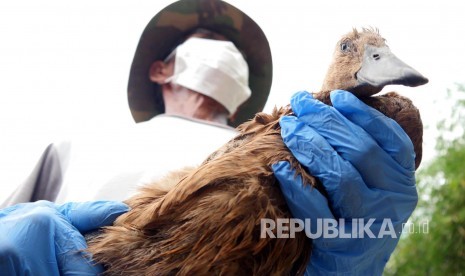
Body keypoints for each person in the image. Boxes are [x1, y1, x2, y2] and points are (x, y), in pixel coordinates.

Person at [0, 0, 418, 275]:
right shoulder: (78, 145)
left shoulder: (309, 148)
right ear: (160, 70)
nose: (226, 54)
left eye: (234, 51)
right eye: (210, 41)